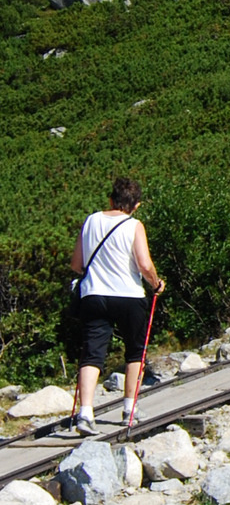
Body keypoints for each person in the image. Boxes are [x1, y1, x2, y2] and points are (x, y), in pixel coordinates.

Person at [69, 178, 164, 435]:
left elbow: (76, 264)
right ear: (136, 205)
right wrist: (156, 283)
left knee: (92, 353)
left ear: (110, 199)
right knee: (135, 351)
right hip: (128, 295)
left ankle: (85, 414)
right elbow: (144, 264)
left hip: (94, 295)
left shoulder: (90, 221)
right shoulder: (134, 226)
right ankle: (128, 410)